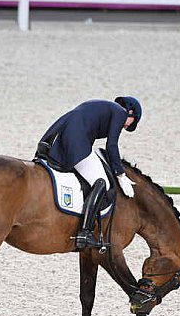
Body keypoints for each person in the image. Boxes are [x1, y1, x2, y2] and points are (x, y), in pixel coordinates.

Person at [36, 97, 142, 250]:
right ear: (130, 112)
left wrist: (45, 141)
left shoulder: (98, 106)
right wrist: (120, 174)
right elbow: (111, 145)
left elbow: (66, 118)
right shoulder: (120, 113)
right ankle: (84, 233)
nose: (126, 127)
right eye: (131, 123)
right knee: (101, 182)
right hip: (78, 142)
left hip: (61, 140)